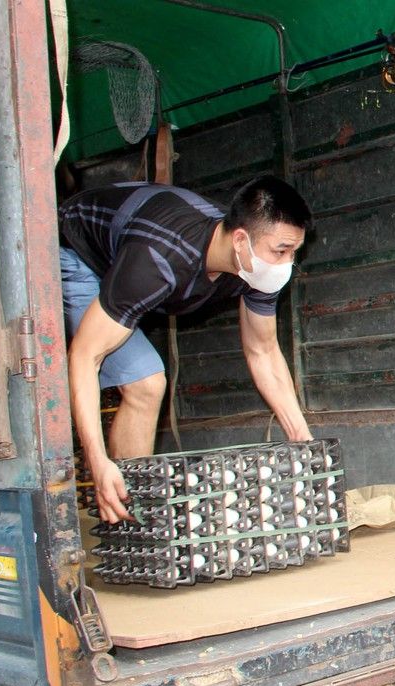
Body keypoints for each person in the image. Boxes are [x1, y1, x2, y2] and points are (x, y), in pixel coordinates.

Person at [59, 177, 314, 524]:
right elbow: (85, 356)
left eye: (293, 251)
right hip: (79, 252)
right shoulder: (159, 261)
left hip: (128, 253)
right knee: (146, 384)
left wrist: (302, 440)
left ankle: (133, 512)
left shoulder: (256, 267)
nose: (286, 263)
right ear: (240, 240)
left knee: (146, 380)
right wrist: (98, 462)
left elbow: (263, 351)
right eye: (281, 251)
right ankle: (127, 512)